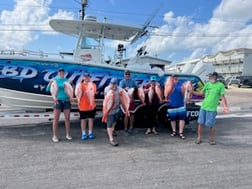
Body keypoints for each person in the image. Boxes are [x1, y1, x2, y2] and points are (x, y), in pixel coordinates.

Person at [192, 72, 229, 145]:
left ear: (215, 77)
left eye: (210, 76)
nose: (209, 78)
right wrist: (192, 91)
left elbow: (222, 97)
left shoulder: (220, 86)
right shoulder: (207, 84)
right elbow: (201, 93)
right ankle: (199, 138)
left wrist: (225, 106)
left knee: (211, 124)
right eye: (209, 76)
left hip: (212, 109)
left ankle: (211, 139)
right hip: (204, 107)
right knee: (200, 123)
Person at [46, 68, 74, 143]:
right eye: (60, 72)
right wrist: (49, 83)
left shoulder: (67, 80)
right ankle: (54, 136)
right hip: (57, 100)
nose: (61, 73)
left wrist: (72, 84)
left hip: (66, 101)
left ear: (64, 73)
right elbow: (47, 90)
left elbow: (71, 90)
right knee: (56, 118)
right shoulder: (55, 80)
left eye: (62, 72)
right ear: (58, 73)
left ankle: (68, 134)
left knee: (67, 118)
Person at [102, 78, 130, 146]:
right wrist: (106, 111)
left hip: (117, 109)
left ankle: (113, 130)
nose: (114, 86)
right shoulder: (107, 89)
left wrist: (125, 91)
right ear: (110, 83)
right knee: (109, 123)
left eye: (115, 84)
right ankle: (111, 139)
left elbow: (124, 97)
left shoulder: (119, 89)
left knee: (115, 121)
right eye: (112, 84)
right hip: (109, 109)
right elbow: (106, 101)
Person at [164, 74, 190, 139]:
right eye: (173, 77)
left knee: (182, 119)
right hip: (171, 104)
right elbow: (166, 90)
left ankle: (181, 132)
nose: (175, 78)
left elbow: (185, 92)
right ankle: (174, 131)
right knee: (172, 119)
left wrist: (187, 89)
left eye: (176, 77)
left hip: (181, 104)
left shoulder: (181, 84)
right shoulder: (168, 83)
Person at [75, 73, 97, 140]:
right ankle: (83, 133)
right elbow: (77, 93)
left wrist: (87, 91)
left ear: (90, 78)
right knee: (83, 120)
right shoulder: (80, 85)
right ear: (83, 78)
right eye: (85, 77)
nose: (87, 78)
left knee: (91, 119)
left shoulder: (93, 85)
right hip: (82, 106)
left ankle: (90, 132)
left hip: (91, 105)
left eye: (88, 77)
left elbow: (93, 93)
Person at [119, 70, 138, 135]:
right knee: (126, 115)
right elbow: (120, 90)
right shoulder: (122, 82)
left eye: (128, 74)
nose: (127, 75)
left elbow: (137, 87)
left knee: (132, 114)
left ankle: (131, 127)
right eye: (126, 74)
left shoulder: (132, 81)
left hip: (131, 101)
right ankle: (125, 128)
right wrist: (124, 89)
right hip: (125, 101)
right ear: (124, 75)